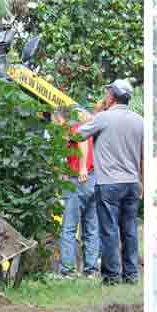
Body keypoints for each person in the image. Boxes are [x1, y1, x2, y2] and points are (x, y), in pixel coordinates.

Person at [73, 80, 144, 285]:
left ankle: (111, 277)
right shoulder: (140, 121)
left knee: (109, 230)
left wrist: (93, 116)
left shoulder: (103, 118)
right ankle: (131, 276)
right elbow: (143, 156)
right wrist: (143, 184)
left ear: (112, 95)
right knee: (129, 230)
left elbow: (77, 135)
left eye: (107, 92)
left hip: (108, 184)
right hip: (132, 183)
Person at [58, 106, 101, 277]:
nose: (56, 124)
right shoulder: (87, 127)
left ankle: (67, 270)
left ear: (62, 118)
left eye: (57, 120)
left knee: (68, 227)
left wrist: (81, 167)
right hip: (93, 179)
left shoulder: (75, 128)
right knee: (91, 226)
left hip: (78, 180)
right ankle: (90, 270)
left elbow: (81, 142)